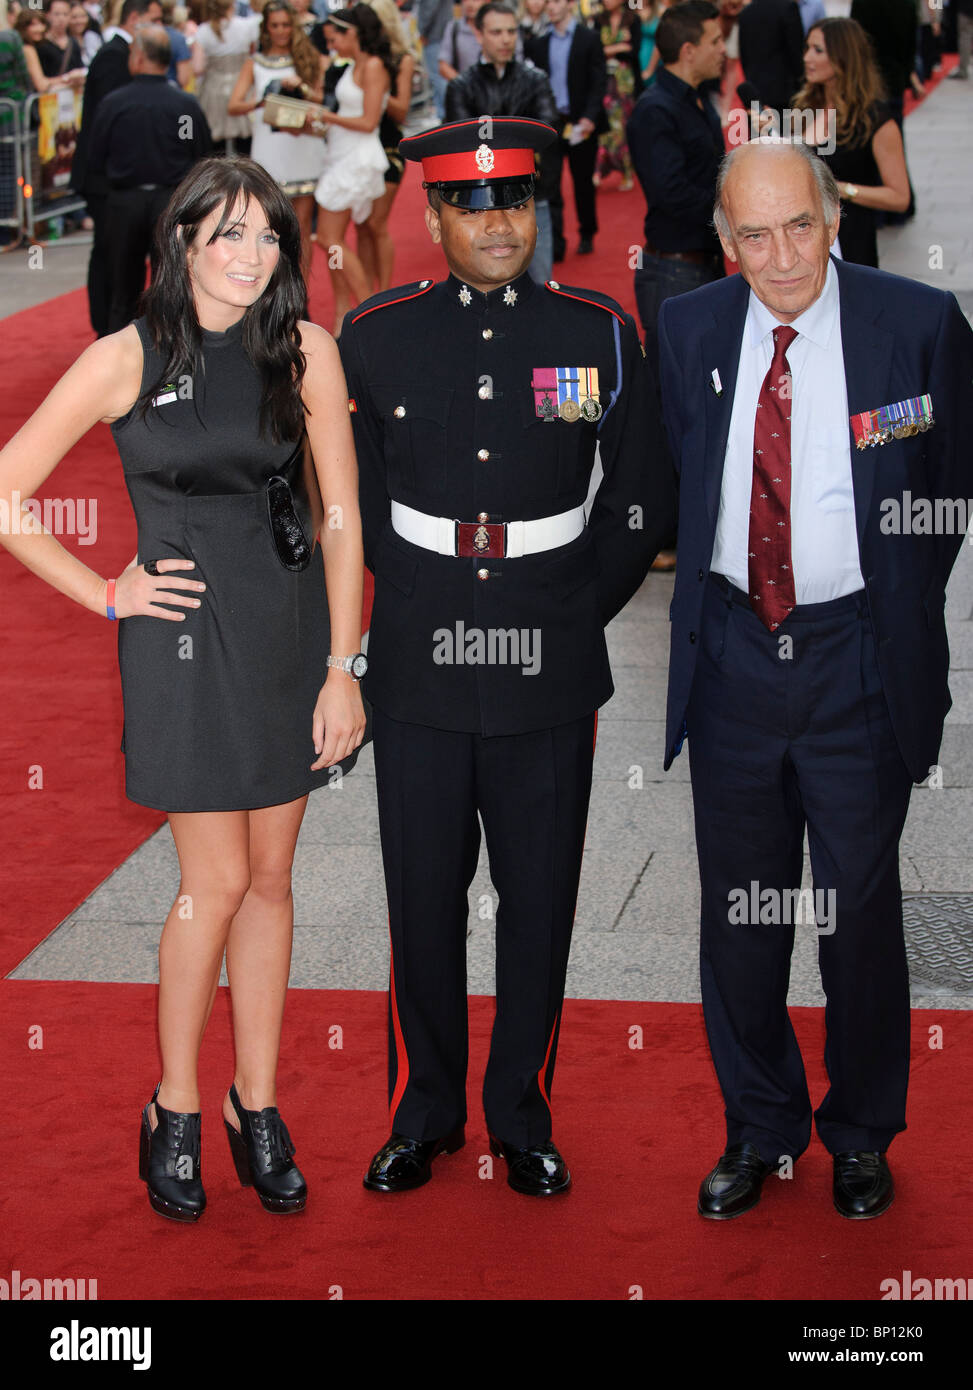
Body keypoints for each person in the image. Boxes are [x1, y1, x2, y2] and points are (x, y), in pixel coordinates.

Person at [0, 155, 368, 1221]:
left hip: (291, 635)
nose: (252, 256)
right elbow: (10, 489)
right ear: (183, 244)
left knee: (271, 880)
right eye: (230, 235)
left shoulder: (307, 351)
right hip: (181, 644)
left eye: (269, 238)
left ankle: (260, 1107)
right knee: (210, 884)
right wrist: (105, 592)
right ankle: (175, 1104)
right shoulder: (127, 357)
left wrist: (344, 667)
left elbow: (339, 517)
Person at [338, 117, 675, 1198]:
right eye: (474, 205)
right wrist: (407, 594)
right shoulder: (377, 334)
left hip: (546, 653)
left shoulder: (597, 329)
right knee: (421, 893)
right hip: (423, 648)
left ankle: (519, 1111)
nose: (499, 223)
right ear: (434, 216)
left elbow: (637, 492)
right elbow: (353, 495)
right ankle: (423, 1110)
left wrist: (580, 605)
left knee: (539, 895)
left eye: (517, 201)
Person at [658, 139, 973, 1221]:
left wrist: (887, 600)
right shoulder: (689, 329)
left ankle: (859, 1131)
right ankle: (759, 1126)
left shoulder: (917, 327)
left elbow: (946, 489)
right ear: (725, 243)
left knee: (858, 913)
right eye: (754, 234)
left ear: (834, 220)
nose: (781, 254)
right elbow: (667, 482)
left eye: (799, 225)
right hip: (735, 660)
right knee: (739, 917)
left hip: (856, 662)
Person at [87, 24, 212, 332]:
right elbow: (204, 159)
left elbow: (94, 158)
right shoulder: (184, 104)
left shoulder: (114, 103)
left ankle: (119, 356)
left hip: (125, 203)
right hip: (170, 204)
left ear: (140, 57)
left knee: (123, 290)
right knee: (171, 289)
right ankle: (171, 355)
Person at [626, 1, 725, 375]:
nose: (722, 50)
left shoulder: (695, 99)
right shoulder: (656, 110)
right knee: (672, 388)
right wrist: (735, 209)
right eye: (715, 41)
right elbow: (672, 194)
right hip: (675, 272)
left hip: (702, 261)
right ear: (688, 51)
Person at [445, 0, 558, 282]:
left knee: (540, 282)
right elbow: (464, 145)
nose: (506, 39)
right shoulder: (461, 86)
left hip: (532, 195)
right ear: (479, 34)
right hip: (478, 201)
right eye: (496, 32)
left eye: (511, 31)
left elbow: (547, 132)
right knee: (484, 283)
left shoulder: (536, 80)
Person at [71, 0, 163, 337]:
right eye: (154, 20)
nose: (160, 26)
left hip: (114, 178)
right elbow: (111, 123)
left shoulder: (117, 52)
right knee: (112, 258)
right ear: (135, 19)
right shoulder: (114, 56)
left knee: (112, 256)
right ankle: (107, 332)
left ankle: (114, 330)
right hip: (108, 179)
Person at [794, 18, 910, 268]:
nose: (806, 58)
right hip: (801, 244)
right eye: (806, 48)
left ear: (843, 55)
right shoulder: (804, 108)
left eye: (818, 50)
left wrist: (840, 189)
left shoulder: (875, 120)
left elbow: (900, 197)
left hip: (851, 243)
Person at [303, 6, 389, 333]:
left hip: (357, 157)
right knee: (332, 239)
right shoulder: (354, 65)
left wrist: (326, 116)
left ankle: (370, 312)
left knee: (328, 237)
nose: (333, 44)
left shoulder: (374, 66)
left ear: (354, 33)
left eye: (336, 38)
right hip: (340, 153)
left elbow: (368, 122)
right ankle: (342, 310)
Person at [227, 0, 327, 276]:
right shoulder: (254, 63)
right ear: (266, 29)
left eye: (286, 24)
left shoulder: (308, 57)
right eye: (275, 25)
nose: (281, 31)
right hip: (269, 150)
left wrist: (302, 89)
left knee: (303, 226)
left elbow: (324, 101)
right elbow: (234, 104)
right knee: (268, 225)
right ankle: (272, 289)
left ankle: (299, 294)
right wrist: (262, 102)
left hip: (304, 147)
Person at [526, 0, 607, 258]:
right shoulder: (538, 43)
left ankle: (587, 233)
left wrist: (590, 118)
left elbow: (599, 81)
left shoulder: (589, 38)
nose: (550, 6)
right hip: (550, 122)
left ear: (571, 4)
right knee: (549, 183)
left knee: (583, 181)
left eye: (556, 1)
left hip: (581, 121)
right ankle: (556, 242)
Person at [358, 0, 416, 295]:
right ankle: (367, 293)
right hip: (357, 146)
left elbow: (402, 110)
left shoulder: (402, 59)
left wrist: (376, 91)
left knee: (376, 223)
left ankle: (386, 293)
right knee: (360, 225)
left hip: (389, 146)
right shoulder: (359, 56)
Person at [193, 0, 259, 155]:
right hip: (242, 88)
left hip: (213, 89)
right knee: (246, 140)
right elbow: (253, 55)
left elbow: (197, 68)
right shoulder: (247, 26)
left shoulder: (203, 31)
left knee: (216, 141)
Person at [590, 0, 642, 190]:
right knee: (604, 127)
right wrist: (619, 47)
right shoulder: (598, 20)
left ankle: (627, 172)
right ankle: (598, 170)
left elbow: (634, 50)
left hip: (625, 83)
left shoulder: (633, 20)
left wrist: (609, 50)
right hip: (604, 82)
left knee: (623, 128)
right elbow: (594, 52)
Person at [738, 0, 804, 122]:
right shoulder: (788, 8)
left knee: (760, 138)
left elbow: (744, 56)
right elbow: (796, 53)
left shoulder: (746, 12)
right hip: (785, 95)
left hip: (755, 92)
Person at [438, 0, 482, 85]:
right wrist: (465, 87)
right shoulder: (454, 28)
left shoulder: (500, 28)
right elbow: (443, 66)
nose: (470, 4)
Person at [950, 0, 973, 78]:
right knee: (965, 38)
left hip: (966, 10)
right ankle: (963, 69)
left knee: (965, 39)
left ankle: (963, 70)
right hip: (966, 9)